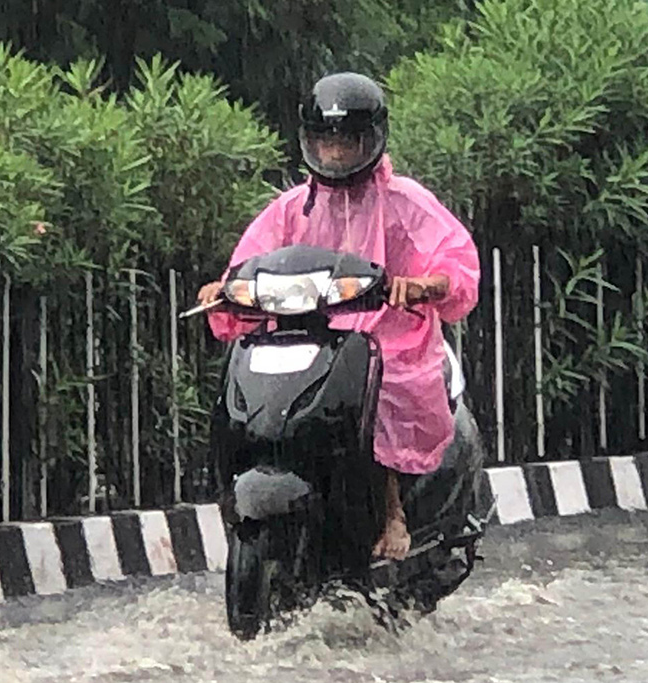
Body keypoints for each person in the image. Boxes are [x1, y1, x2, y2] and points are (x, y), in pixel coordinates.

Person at [197, 72, 480, 561]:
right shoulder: (291, 207)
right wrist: (225, 290)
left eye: (346, 140)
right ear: (309, 140)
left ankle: (393, 513)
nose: (335, 152)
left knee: (381, 389)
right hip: (302, 337)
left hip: (387, 336)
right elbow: (248, 261)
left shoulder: (404, 201)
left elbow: (455, 260)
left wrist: (425, 284)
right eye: (326, 140)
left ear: (370, 139)